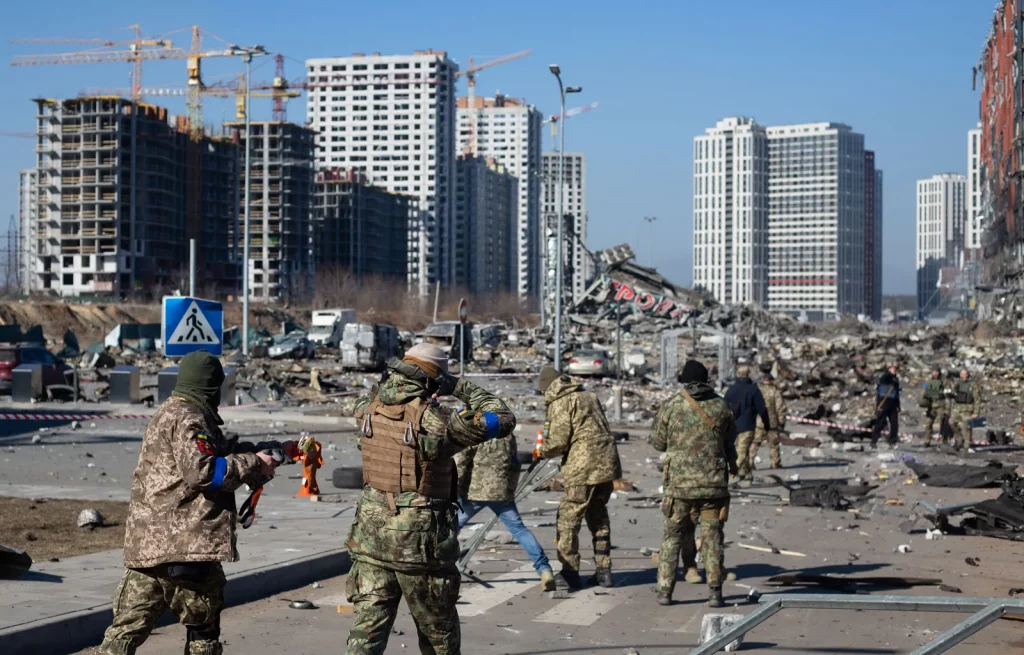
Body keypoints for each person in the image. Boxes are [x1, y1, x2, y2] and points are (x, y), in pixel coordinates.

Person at [98, 351, 291, 655]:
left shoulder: (174, 411)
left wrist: (268, 451)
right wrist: (254, 462)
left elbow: (218, 451)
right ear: (210, 386)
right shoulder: (189, 416)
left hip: (150, 547)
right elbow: (204, 472)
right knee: (203, 633)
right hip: (185, 548)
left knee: (122, 635)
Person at [346, 343, 516, 655]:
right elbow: (503, 417)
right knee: (439, 636)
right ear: (434, 380)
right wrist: (458, 385)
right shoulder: (438, 422)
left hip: (370, 538)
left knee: (366, 633)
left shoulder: (365, 407)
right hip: (420, 546)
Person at [649, 359, 738, 608]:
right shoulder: (721, 405)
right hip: (713, 485)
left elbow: (657, 442)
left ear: (684, 380)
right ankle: (715, 592)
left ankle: (665, 591)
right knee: (712, 538)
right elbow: (730, 438)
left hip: (680, 487)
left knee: (672, 537)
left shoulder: (672, 405)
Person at [536, 366, 622, 590]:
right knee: (598, 515)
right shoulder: (589, 395)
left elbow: (558, 440)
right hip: (607, 462)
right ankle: (604, 571)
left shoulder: (560, 402)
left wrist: (542, 450)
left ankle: (570, 572)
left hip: (582, 466)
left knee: (568, 519)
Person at [455, 434, 556, 591]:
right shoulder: (507, 435)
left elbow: (460, 463)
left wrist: (454, 489)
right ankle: (544, 570)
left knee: (451, 526)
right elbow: (514, 464)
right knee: (520, 530)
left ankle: (437, 567)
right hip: (501, 493)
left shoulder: (472, 433)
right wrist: (510, 490)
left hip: (473, 493)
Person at [724, 365, 770, 480]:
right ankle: (731, 477)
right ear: (748, 374)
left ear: (737, 375)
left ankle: (746, 474)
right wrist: (767, 425)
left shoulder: (731, 390)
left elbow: (723, 408)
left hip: (732, 427)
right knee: (742, 452)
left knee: (740, 450)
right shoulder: (753, 389)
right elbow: (762, 409)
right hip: (747, 426)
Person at [750, 365, 787, 470]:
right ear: (771, 381)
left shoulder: (757, 392)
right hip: (772, 423)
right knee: (773, 445)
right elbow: (780, 408)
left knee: (755, 442)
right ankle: (775, 463)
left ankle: (750, 462)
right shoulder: (775, 392)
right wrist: (782, 422)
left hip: (759, 422)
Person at [949, 368, 982, 453]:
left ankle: (967, 445)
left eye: (966, 374)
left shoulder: (972, 385)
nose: (964, 376)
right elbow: (951, 393)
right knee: (951, 422)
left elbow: (977, 399)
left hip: (968, 408)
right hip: (958, 407)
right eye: (962, 374)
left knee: (967, 426)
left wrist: (976, 412)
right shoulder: (957, 384)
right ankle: (958, 437)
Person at [871, 363, 901, 448]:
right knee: (880, 423)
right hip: (884, 403)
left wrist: (898, 406)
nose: (894, 370)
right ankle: (874, 441)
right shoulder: (885, 378)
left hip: (893, 404)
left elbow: (896, 394)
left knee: (894, 424)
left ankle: (892, 441)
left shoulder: (895, 379)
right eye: (892, 368)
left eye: (895, 368)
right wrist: (890, 370)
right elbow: (886, 376)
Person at [919, 368, 949, 447]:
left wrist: (941, 393)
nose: (935, 373)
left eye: (936, 372)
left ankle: (944, 440)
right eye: (934, 372)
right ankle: (927, 440)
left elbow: (948, 391)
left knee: (943, 422)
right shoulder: (928, 380)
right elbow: (924, 388)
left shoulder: (944, 381)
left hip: (941, 404)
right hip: (931, 404)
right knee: (928, 423)